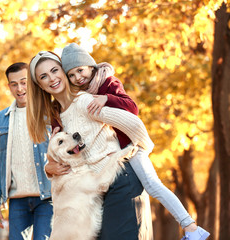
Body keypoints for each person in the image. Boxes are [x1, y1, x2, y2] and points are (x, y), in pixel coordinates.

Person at [59, 42, 210, 240]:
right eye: (71, 75)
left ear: (90, 66)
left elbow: (132, 107)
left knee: (152, 185)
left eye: (80, 70)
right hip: (115, 154)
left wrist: (106, 98)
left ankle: (191, 228)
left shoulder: (108, 83)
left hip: (131, 147)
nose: (78, 77)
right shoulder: (81, 94)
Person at [27, 51, 154, 239]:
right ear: (40, 86)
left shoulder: (85, 101)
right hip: (97, 190)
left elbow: (135, 124)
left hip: (121, 181)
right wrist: (49, 167)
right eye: (43, 76)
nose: (52, 78)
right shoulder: (57, 116)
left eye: (55, 70)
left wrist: (138, 152)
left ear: (64, 71)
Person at [0, 62, 53, 240]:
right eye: (14, 84)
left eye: (24, 82)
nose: (20, 88)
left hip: (47, 196)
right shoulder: (1, 119)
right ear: (9, 87)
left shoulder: (50, 112)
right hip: (17, 200)